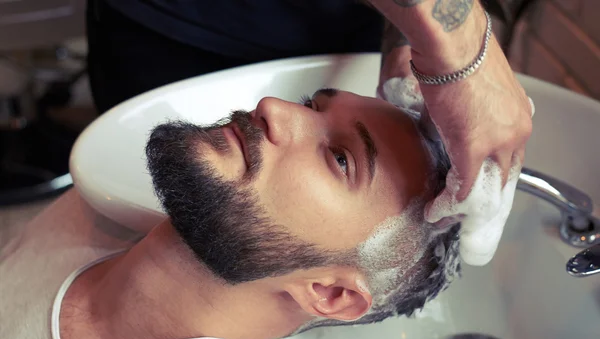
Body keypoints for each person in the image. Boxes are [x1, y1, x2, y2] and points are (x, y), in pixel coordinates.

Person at [1, 88, 460, 339]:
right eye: (311, 104)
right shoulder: (89, 206)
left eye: (340, 159)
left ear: (330, 293)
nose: (273, 107)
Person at [87, 0, 533, 260]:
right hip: (186, 28)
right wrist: (459, 41)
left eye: (341, 159)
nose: (271, 107)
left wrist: (407, 40)